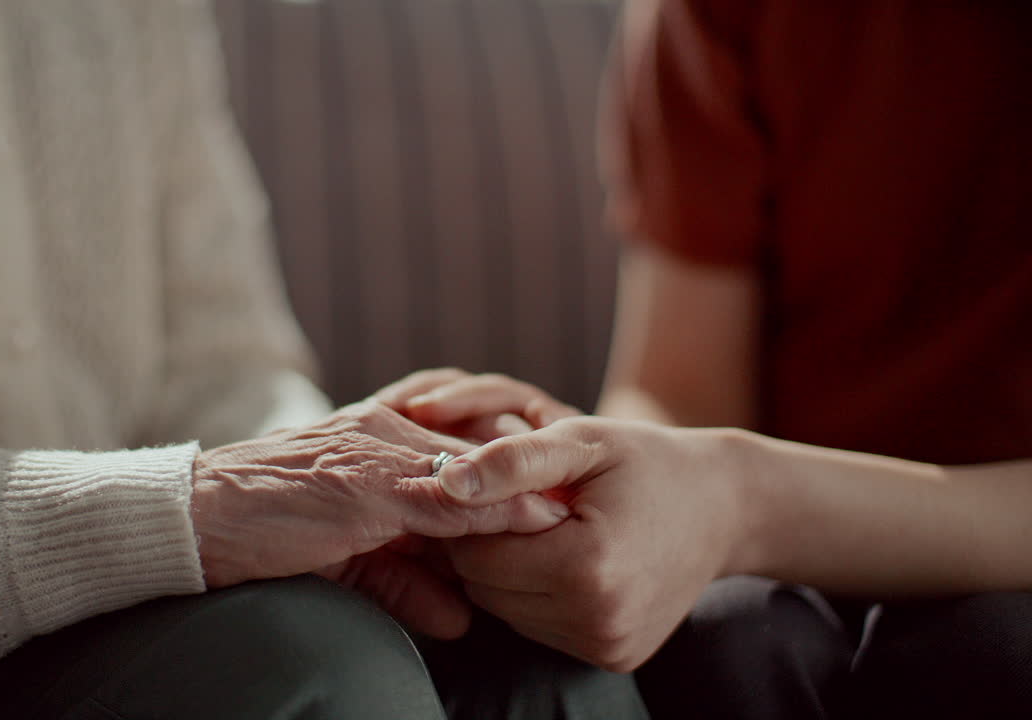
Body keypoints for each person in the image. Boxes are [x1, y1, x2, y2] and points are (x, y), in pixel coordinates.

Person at [0, 2, 651, 718]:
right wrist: (186, 509)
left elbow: (225, 366)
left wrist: (375, 481)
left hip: (116, 622)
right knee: (320, 671)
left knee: (540, 658)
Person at [379, 0, 1032, 717]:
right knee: (724, 640)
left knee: (986, 653)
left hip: (981, 558)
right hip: (777, 562)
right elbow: (680, 390)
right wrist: (589, 470)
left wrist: (738, 499)